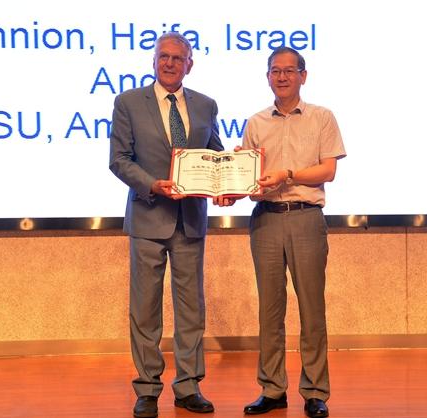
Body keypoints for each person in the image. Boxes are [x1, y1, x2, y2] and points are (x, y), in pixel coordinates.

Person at [109, 32, 229, 418]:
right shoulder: (128, 102)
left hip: (190, 220)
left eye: (178, 58)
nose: (170, 63)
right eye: (164, 56)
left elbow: (214, 154)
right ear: (154, 61)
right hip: (148, 216)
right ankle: (147, 389)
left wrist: (228, 180)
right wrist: (152, 185)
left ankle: (188, 386)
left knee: (191, 309)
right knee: (145, 310)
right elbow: (119, 159)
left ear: (189, 64)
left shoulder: (206, 105)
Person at [241, 47, 346, 418]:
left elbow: (328, 170)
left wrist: (287, 175)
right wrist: (235, 183)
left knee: (312, 310)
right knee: (269, 311)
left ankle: (315, 391)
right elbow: (250, 180)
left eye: (289, 70)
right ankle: (272, 390)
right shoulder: (255, 123)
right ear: (267, 76)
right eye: (275, 70)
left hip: (305, 218)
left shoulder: (322, 117)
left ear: (303, 75)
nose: (282, 77)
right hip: (266, 219)